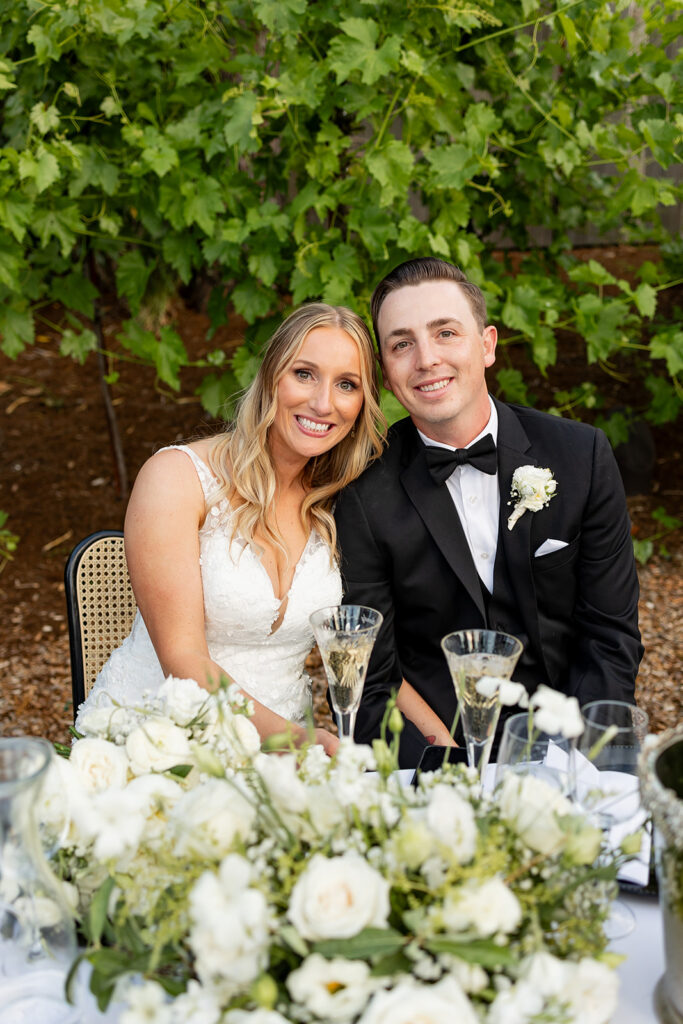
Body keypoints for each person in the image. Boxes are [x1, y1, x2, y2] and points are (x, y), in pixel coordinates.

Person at [335, 257, 643, 766]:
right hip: (441, 761)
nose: (426, 359)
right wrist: (450, 779)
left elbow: (609, 635)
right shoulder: (363, 493)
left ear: (488, 345)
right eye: (401, 344)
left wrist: (585, 761)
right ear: (387, 375)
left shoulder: (581, 456)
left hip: (576, 747)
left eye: (446, 332)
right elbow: (369, 676)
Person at [76, 303, 385, 755]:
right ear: (270, 375)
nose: (323, 402)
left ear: (362, 404)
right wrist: (300, 742)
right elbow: (183, 660)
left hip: (286, 759)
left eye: (346, 384)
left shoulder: (344, 499)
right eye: (303, 373)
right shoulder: (177, 478)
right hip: (158, 744)